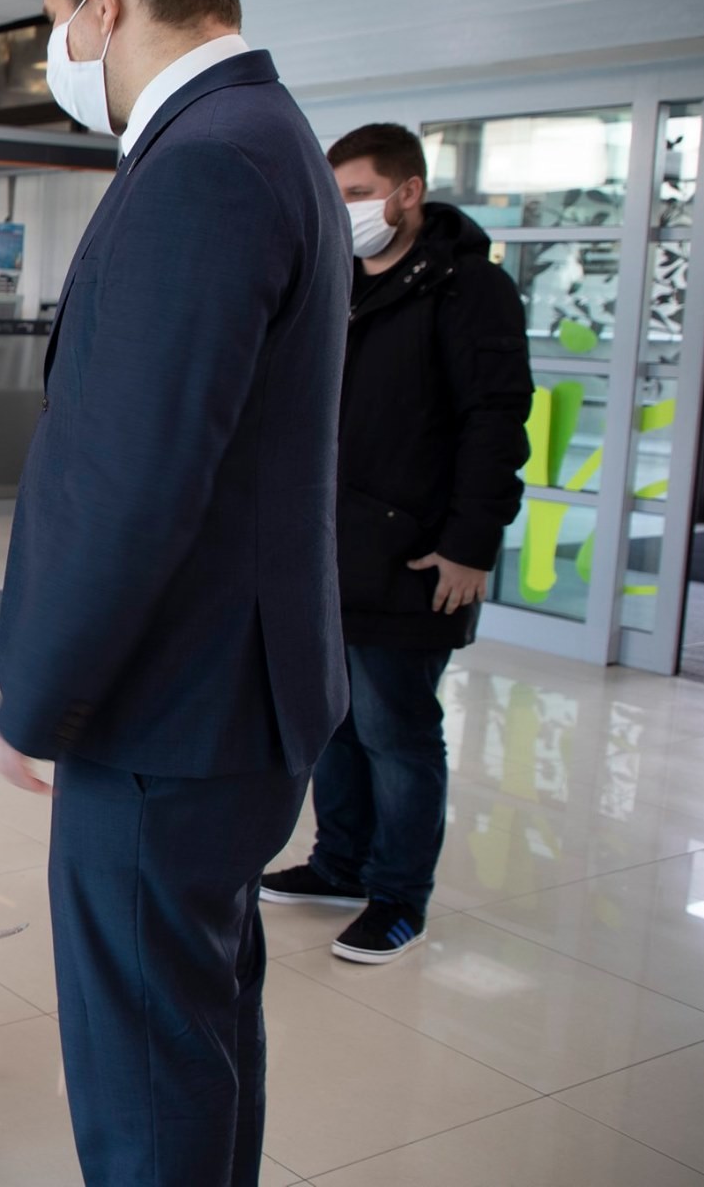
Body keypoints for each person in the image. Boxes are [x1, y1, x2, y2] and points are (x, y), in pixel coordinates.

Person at [0, 0, 350, 1187]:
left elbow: (130, 480)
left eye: (56, 21)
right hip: (234, 699)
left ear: (102, 4)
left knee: (143, 1065)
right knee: (195, 1032)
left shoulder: (202, 163)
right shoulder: (272, 136)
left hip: (170, 713)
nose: (57, 53)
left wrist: (38, 698)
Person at [262, 123, 532, 963]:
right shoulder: (339, 282)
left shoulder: (469, 290)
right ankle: (340, 863)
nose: (344, 210)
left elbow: (496, 424)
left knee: (397, 731)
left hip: (418, 556)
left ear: (407, 192)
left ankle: (398, 896)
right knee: (333, 723)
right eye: (335, 195)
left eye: (358, 194)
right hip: (331, 551)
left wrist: (471, 546)